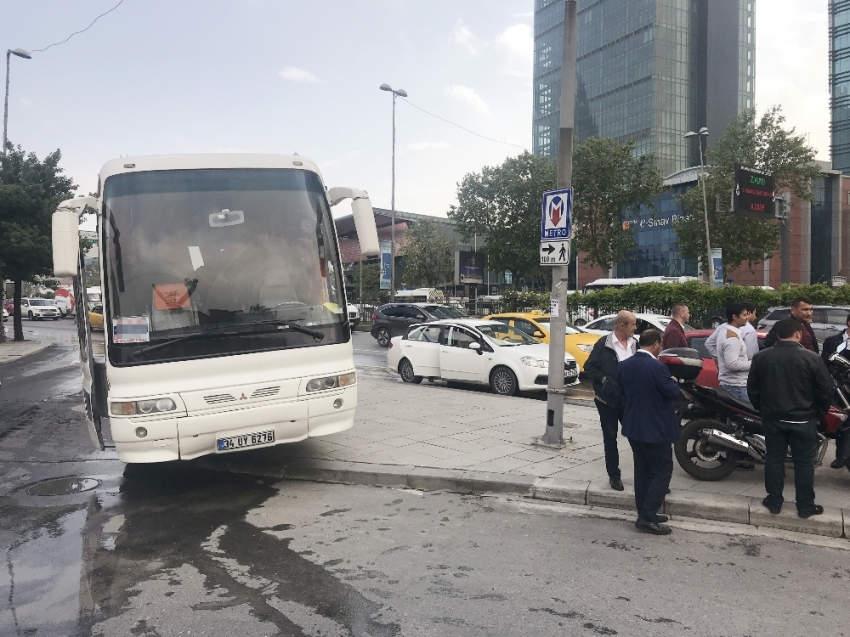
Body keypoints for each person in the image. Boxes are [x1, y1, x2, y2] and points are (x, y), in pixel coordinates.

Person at [747, 318, 834, 518]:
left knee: (774, 459)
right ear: (798, 334)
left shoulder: (761, 358)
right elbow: (825, 389)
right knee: (804, 463)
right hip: (804, 419)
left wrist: (762, 408)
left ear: (777, 334)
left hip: (773, 419)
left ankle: (775, 501)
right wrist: (818, 412)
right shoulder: (811, 358)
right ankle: (805, 506)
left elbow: (752, 388)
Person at [618, 329, 681, 535]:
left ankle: (645, 511)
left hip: (634, 426)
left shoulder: (625, 365)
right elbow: (672, 393)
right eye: (660, 344)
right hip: (656, 428)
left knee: (642, 471)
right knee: (662, 471)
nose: (660, 347)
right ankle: (647, 517)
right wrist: (673, 382)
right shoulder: (657, 367)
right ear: (655, 344)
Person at [584, 311, 638, 491]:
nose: (635, 328)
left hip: (629, 400)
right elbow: (589, 367)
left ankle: (644, 474)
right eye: (633, 324)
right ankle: (614, 475)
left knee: (636, 437)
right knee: (610, 438)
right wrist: (604, 382)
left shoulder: (634, 344)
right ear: (622, 325)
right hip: (607, 401)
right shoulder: (604, 344)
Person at [821, 312, 850, 468]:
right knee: (840, 421)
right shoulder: (833, 341)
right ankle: (840, 456)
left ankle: (846, 454)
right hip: (837, 388)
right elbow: (825, 362)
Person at [717, 302, 752, 402]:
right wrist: (753, 363)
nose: (747, 318)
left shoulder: (725, 332)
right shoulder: (732, 337)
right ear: (734, 316)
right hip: (736, 387)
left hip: (732, 386)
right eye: (744, 315)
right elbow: (732, 364)